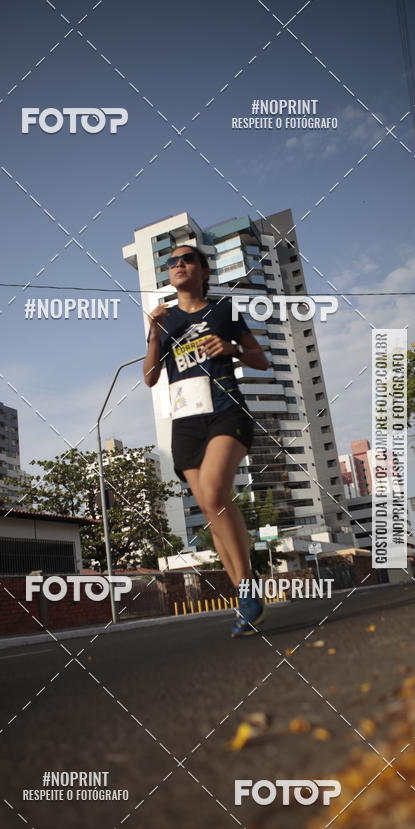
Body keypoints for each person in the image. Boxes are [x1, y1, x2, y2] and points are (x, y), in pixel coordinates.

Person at [143, 244, 270, 637]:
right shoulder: (165, 321)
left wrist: (231, 348)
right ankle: (244, 597)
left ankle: (248, 588)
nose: (178, 265)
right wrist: (153, 332)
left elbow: (261, 359)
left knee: (215, 493)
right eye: (172, 262)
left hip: (225, 409)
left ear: (204, 270)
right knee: (211, 508)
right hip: (185, 422)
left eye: (187, 259)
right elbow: (149, 377)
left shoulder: (224, 310)